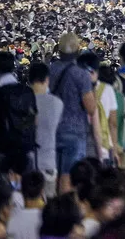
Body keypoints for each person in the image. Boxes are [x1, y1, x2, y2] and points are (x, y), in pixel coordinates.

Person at [50, 32, 97, 193]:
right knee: (68, 175)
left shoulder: (51, 70)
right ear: (77, 51)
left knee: (54, 173)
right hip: (74, 129)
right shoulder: (81, 74)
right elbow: (90, 107)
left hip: (52, 128)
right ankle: (66, 211)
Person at [0, 51, 37, 166]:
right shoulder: (28, 91)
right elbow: (35, 120)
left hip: (5, 153)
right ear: (13, 68)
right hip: (27, 150)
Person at [29, 61, 63, 196]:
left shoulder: (23, 101)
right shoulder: (57, 103)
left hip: (28, 164)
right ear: (47, 80)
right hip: (50, 162)